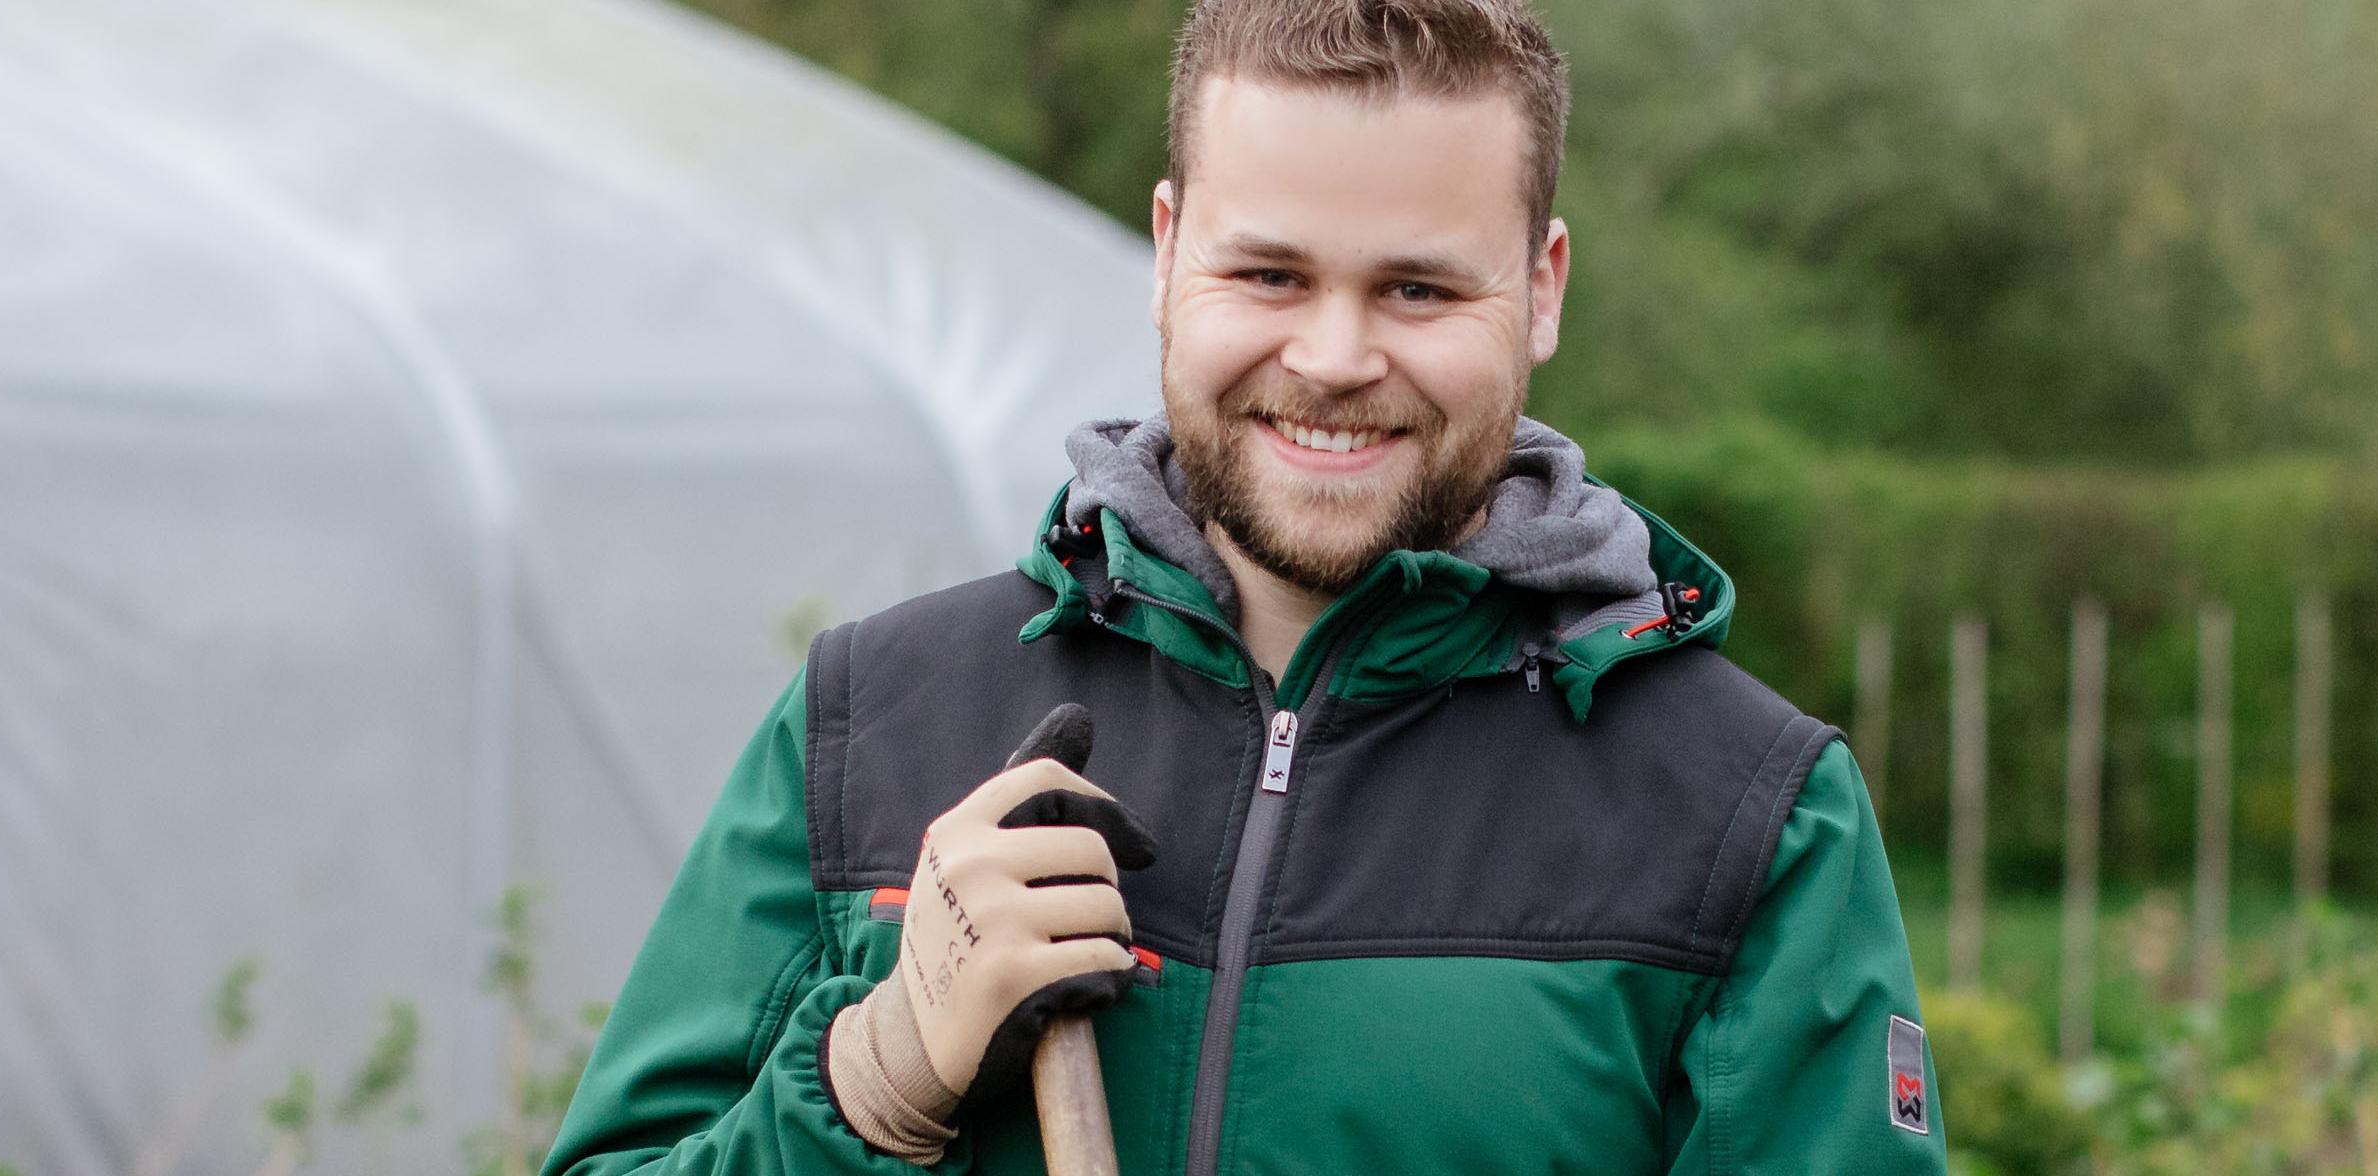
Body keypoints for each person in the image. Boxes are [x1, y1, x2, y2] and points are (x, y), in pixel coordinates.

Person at [541, 0, 1944, 1170]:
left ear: (1544, 287)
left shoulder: (1745, 815)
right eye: (1269, 273)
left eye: (1418, 290)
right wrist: (877, 1081)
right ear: (1168, 256)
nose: (1332, 358)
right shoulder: (874, 721)